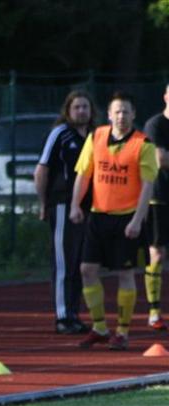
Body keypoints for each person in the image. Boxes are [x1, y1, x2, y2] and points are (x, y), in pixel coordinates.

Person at [70, 92, 157, 351]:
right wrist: (75, 204)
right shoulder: (96, 137)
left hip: (126, 218)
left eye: (126, 111)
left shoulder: (143, 144)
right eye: (117, 111)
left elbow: (148, 186)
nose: (121, 116)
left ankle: (122, 331)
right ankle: (99, 326)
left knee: (125, 273)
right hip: (98, 216)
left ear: (133, 114)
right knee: (87, 269)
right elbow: (83, 174)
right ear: (109, 114)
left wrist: (138, 220)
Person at [34, 90, 96, 334]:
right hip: (61, 204)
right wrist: (43, 203)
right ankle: (62, 316)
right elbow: (42, 169)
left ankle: (74, 314)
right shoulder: (60, 134)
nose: (81, 111)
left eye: (85, 107)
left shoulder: (95, 136)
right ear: (68, 110)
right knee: (63, 262)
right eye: (76, 107)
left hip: (87, 207)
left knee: (80, 263)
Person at [142, 83, 169, 331]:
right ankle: (154, 311)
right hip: (159, 197)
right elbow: (161, 160)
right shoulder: (156, 125)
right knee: (157, 253)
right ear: (166, 97)